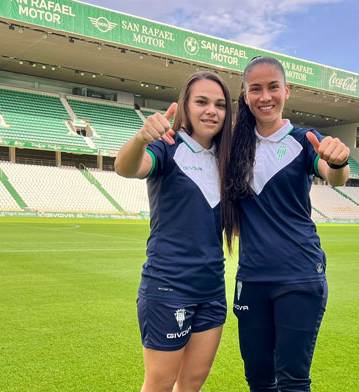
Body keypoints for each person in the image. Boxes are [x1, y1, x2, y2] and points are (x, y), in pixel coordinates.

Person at [224, 56, 350, 391]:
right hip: (252, 279)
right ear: (245, 94)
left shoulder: (304, 139)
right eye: (256, 89)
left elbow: (333, 175)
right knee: (258, 379)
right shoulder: (235, 146)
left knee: (293, 380)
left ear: (286, 91)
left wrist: (338, 161)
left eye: (273, 87)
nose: (265, 96)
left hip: (300, 276)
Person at [115, 71, 233, 392]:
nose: (211, 110)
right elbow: (127, 167)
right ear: (185, 106)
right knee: (159, 385)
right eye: (202, 102)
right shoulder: (167, 147)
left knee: (191, 384)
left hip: (211, 291)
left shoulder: (227, 160)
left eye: (220, 104)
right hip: (168, 288)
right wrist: (141, 139)